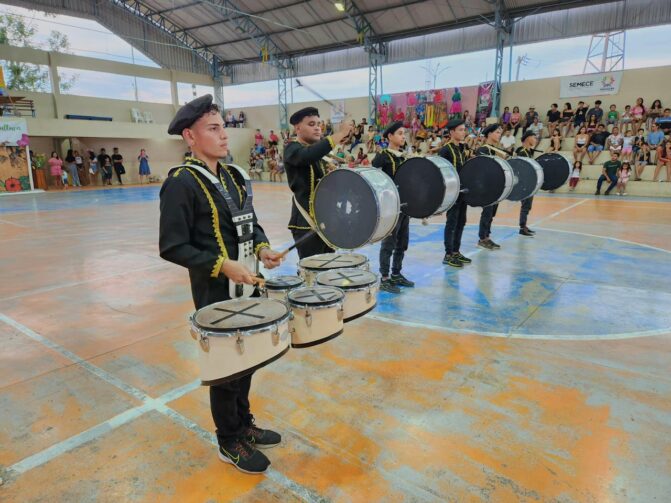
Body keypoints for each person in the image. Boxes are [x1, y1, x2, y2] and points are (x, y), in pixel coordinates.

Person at [159, 94, 283, 475]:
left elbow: (250, 221)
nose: (223, 136)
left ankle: (244, 424)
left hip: (250, 283)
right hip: (216, 289)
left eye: (223, 127)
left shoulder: (233, 175)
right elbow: (172, 246)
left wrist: (262, 249)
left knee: (248, 359)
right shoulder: (182, 183)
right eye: (213, 129)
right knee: (227, 368)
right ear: (190, 137)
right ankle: (229, 440)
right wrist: (221, 265)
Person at [283, 106, 353, 258]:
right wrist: (340, 133)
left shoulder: (321, 157)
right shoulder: (292, 148)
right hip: (305, 223)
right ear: (298, 128)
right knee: (311, 272)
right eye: (311, 124)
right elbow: (307, 155)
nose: (317, 128)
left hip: (326, 221)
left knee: (328, 270)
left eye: (319, 124)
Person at [372, 121, 415, 293]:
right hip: (390, 207)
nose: (403, 136)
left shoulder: (404, 156)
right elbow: (373, 176)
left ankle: (396, 273)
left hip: (405, 206)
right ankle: (384, 277)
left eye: (404, 133)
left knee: (402, 242)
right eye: (399, 133)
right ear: (390, 136)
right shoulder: (383, 156)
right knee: (388, 242)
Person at [440, 119, 471, 268]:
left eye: (464, 129)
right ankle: (448, 254)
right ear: (452, 132)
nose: (463, 132)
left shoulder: (461, 149)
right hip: (452, 192)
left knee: (461, 221)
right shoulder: (445, 150)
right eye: (460, 129)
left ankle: (456, 251)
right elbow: (440, 172)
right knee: (452, 222)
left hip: (463, 191)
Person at [476, 124, 505, 250]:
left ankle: (487, 236)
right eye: (497, 132)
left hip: (495, 186)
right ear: (489, 134)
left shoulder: (494, 150)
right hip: (486, 187)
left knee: (491, 213)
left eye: (500, 132)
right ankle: (482, 238)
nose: (499, 135)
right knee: (487, 213)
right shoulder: (482, 149)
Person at [516, 130, 539, 237]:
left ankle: (524, 225)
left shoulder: (529, 152)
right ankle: (522, 227)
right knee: (525, 205)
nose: (535, 139)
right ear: (527, 138)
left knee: (527, 206)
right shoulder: (522, 152)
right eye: (534, 137)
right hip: (524, 183)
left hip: (529, 183)